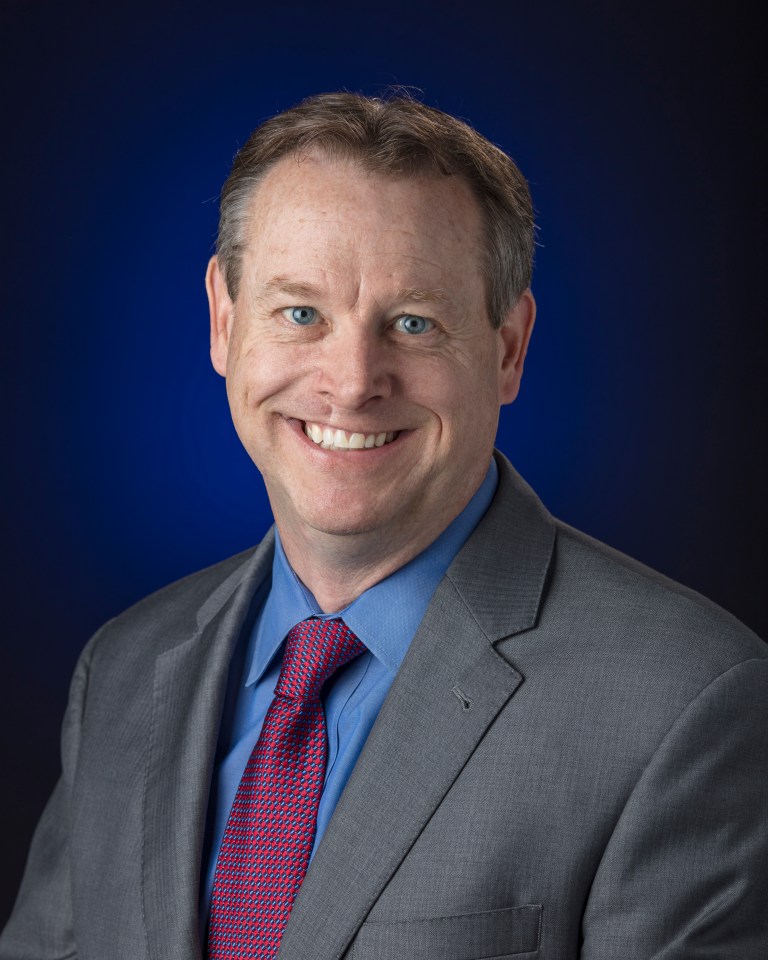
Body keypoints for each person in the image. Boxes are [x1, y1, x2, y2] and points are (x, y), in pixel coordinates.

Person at [1, 92, 766, 960]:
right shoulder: (122, 672)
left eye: (413, 323)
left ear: (508, 348)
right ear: (224, 320)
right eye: (301, 313)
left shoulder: (683, 704)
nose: (353, 380)